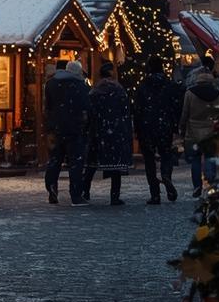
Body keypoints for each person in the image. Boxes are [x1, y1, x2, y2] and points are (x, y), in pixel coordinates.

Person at [132, 57, 183, 204]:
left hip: (147, 126)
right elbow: (176, 106)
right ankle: (166, 175)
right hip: (164, 125)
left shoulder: (143, 86)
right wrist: (174, 124)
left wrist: (137, 128)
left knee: (149, 161)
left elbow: (137, 109)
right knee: (166, 154)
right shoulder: (169, 85)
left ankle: (155, 193)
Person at [42, 59, 91, 206]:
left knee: (55, 160)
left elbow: (47, 107)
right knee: (75, 163)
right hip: (74, 129)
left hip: (55, 129)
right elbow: (86, 107)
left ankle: (51, 186)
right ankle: (75, 195)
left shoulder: (51, 84)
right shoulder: (81, 86)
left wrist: (50, 126)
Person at [85, 61, 134, 205]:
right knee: (115, 166)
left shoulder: (95, 90)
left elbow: (90, 111)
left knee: (92, 163)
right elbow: (125, 110)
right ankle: (114, 196)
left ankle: (85, 191)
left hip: (98, 130)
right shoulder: (119, 89)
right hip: (115, 131)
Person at [178, 66, 219, 196]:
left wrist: (181, 127)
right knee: (210, 157)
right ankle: (211, 183)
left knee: (195, 160)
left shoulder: (190, 93)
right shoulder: (218, 94)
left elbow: (185, 113)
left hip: (193, 132)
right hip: (211, 131)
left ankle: (197, 186)